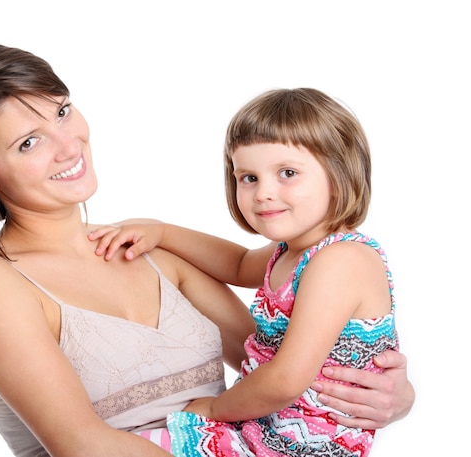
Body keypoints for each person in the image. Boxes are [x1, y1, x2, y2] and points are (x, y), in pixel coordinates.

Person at [0, 43, 413, 457]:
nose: (68, 146)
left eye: (63, 111)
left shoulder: (151, 252)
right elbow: (81, 446)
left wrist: (385, 396)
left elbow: (276, 365)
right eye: (29, 142)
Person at [90, 88, 405, 456]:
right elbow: (237, 264)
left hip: (301, 442)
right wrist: (163, 231)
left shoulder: (342, 260)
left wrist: (214, 410)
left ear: (338, 175)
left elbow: (287, 380)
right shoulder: (294, 250)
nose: (263, 193)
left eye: (287, 173)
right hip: (269, 420)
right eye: (249, 177)